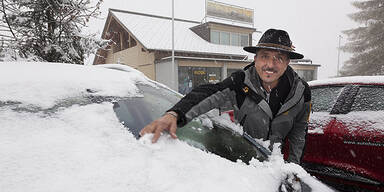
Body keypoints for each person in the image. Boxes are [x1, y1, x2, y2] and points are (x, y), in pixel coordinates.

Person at [140, 29, 311, 164]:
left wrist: (294, 167)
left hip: (274, 166)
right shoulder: (240, 82)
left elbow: (299, 134)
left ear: (288, 62)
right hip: (243, 161)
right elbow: (208, 93)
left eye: (279, 58)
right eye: (265, 56)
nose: (270, 65)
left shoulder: (301, 92)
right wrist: (175, 113)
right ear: (256, 58)